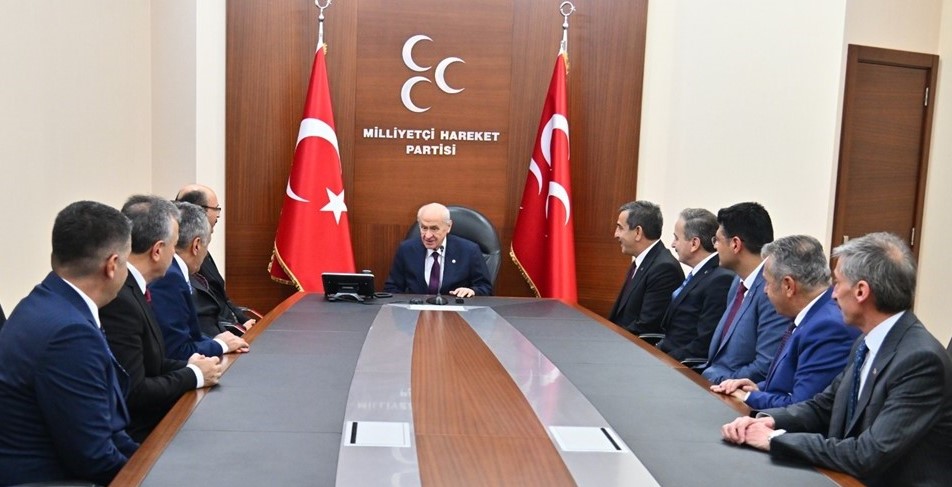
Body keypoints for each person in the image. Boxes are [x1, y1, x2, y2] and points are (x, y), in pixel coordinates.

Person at [721, 232, 952, 485]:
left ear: (861, 291)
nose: (832, 294)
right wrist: (768, 421)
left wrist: (774, 439)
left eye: (838, 283)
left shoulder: (920, 360)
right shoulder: (865, 342)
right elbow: (824, 405)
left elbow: (869, 453)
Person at [0, 201, 138, 485]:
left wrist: (150, 459)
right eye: (127, 261)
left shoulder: (44, 302)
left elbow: (105, 429)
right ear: (112, 265)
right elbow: (94, 458)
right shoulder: (70, 334)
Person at [100, 195, 222, 442]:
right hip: (137, 434)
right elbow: (134, 390)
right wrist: (194, 375)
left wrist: (190, 364)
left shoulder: (134, 287)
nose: (175, 254)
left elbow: (150, 362)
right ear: (157, 250)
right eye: (174, 245)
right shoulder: (121, 299)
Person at [710, 235, 858, 410]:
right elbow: (786, 385)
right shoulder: (812, 314)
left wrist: (748, 397)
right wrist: (757, 388)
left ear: (788, 286)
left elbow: (802, 406)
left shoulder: (827, 327)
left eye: (767, 283)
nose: (765, 291)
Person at [701, 202, 789, 384]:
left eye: (717, 240)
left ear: (735, 244)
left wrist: (720, 382)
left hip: (733, 391)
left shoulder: (770, 292)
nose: (715, 247)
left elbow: (765, 366)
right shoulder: (738, 281)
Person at [149, 202, 249, 360]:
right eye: (206, 245)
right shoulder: (170, 277)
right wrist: (220, 345)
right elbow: (177, 350)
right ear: (196, 245)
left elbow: (189, 335)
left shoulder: (175, 272)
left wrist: (215, 342)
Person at [174, 184, 256, 335]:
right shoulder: (186, 258)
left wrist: (244, 321)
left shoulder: (200, 246)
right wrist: (239, 330)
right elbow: (204, 314)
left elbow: (222, 298)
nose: (218, 215)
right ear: (199, 210)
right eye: (216, 209)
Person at [657, 208, 735, 361]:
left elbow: (704, 344)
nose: (672, 244)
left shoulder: (720, 280)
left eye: (676, 238)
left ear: (694, 243)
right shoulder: (701, 273)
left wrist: (665, 360)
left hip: (680, 363)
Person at [384, 202, 493, 297]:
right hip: (417, 310)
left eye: (434, 228)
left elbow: (485, 287)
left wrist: (472, 291)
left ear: (448, 226)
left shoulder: (469, 251)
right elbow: (392, 288)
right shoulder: (406, 250)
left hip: (454, 310)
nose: (427, 236)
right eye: (424, 228)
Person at [608, 201, 684, 335]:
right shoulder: (643, 261)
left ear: (638, 232)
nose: (616, 234)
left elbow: (647, 326)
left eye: (620, 228)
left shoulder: (664, 269)